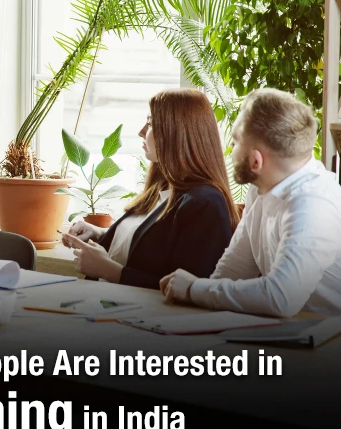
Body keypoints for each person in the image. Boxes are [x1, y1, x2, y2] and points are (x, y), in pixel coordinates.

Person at [160, 88, 341, 328]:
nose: (231, 150)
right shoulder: (261, 189)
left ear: (256, 160)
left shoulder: (314, 204)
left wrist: (193, 288)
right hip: (318, 338)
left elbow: (280, 298)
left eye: (235, 143)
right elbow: (233, 271)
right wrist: (197, 302)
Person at [63, 88, 238, 289]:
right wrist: (99, 233)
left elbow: (190, 290)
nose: (141, 132)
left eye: (151, 123)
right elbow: (149, 249)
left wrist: (109, 270)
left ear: (177, 133)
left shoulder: (206, 203)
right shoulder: (162, 190)